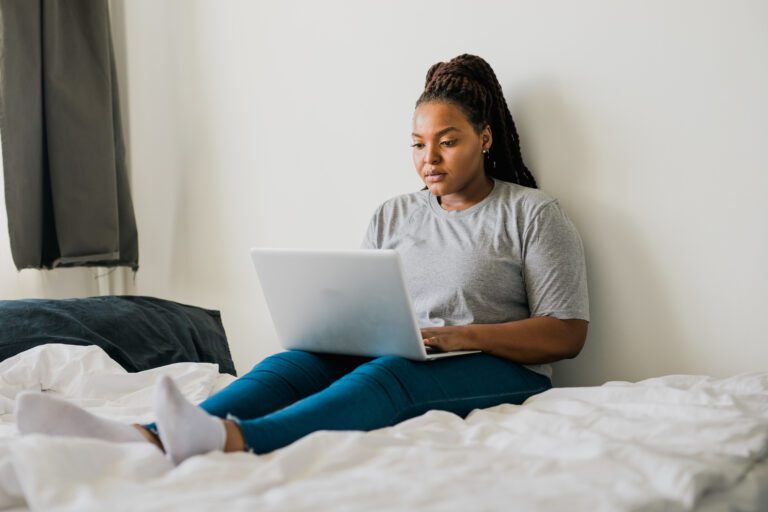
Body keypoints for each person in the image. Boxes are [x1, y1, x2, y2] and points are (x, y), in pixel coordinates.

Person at [15, 54, 589, 465]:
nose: (428, 158)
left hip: (499, 367)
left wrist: (461, 336)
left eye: (448, 140)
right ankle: (147, 435)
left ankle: (238, 440)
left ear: (485, 139)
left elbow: (566, 335)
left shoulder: (533, 214)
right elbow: (371, 303)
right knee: (296, 362)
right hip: (411, 348)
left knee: (388, 372)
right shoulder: (393, 215)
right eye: (417, 143)